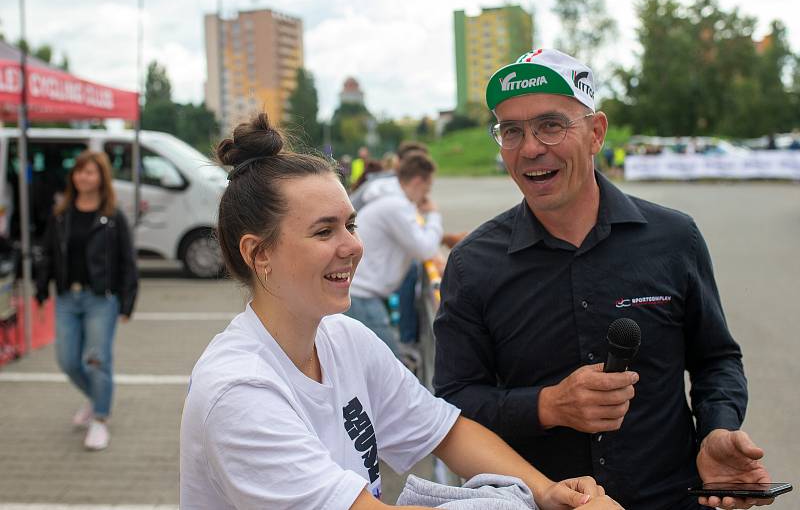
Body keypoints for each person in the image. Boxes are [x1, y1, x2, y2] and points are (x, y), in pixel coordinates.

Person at [179, 112, 622, 510]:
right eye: (323, 231)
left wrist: (546, 491)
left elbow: (444, 432)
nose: (354, 245)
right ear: (260, 255)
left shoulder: (345, 339)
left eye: (350, 224)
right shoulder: (239, 392)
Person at [433, 49, 773, 510]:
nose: (530, 147)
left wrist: (716, 429)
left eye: (551, 125)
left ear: (596, 133)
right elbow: (452, 403)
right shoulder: (474, 264)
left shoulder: (674, 238)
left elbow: (716, 359)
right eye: (511, 130)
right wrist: (548, 405)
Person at [36, 150, 138, 451]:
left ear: (101, 177)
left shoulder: (112, 217)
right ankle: (97, 399)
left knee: (97, 361)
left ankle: (100, 420)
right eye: (79, 171)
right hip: (68, 297)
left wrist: (128, 301)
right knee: (68, 361)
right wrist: (42, 288)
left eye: (90, 172)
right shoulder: (61, 215)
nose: (83, 176)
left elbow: (127, 262)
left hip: (100, 299)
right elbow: (48, 255)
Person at [345, 152, 442, 355]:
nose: (426, 195)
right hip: (364, 296)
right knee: (392, 367)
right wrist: (433, 215)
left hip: (362, 294)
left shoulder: (389, 200)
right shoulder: (396, 206)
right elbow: (425, 249)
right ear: (417, 181)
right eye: (427, 188)